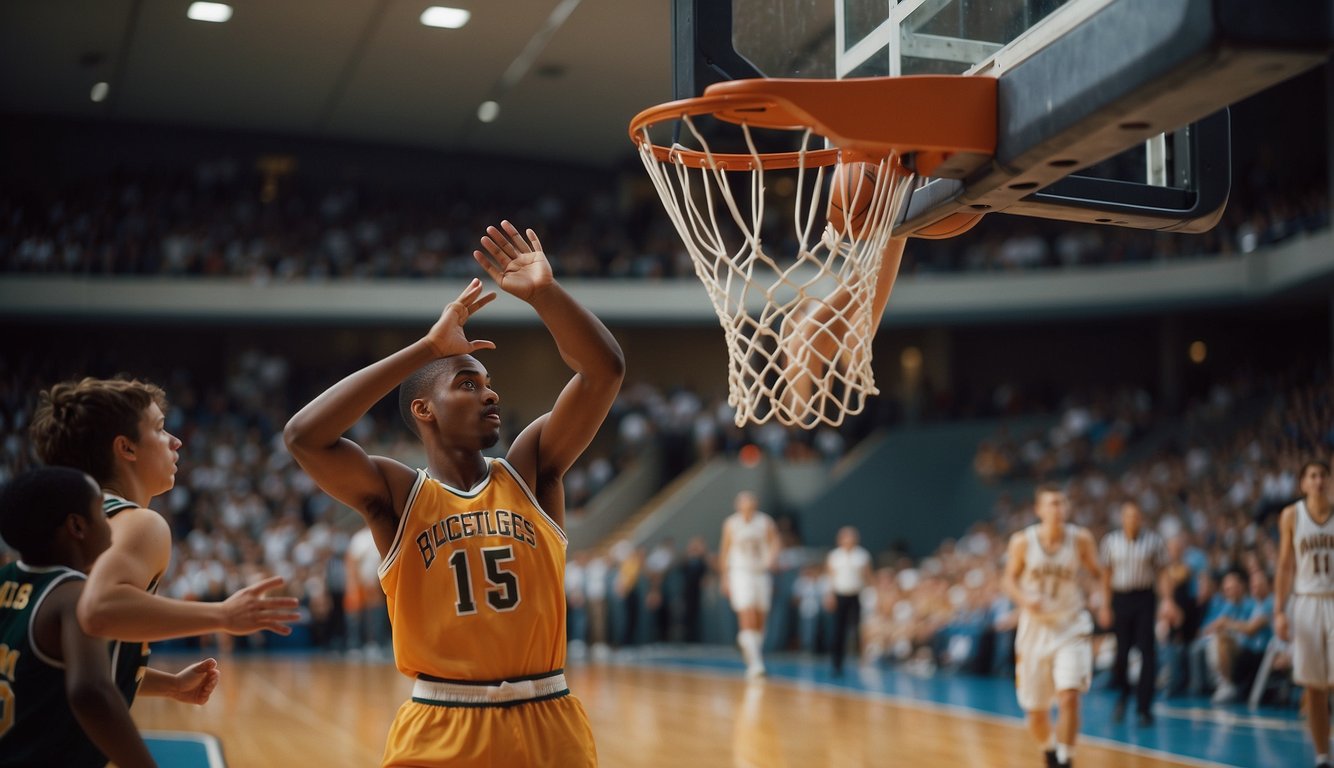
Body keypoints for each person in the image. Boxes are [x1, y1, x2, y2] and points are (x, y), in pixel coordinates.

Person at [284, 221, 624, 768]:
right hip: (441, 722)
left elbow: (604, 372)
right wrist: (424, 351)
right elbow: (304, 437)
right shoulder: (397, 493)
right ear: (424, 409)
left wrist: (545, 294)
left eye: (489, 384)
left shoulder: (531, 468)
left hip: (548, 715)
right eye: (467, 384)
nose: (490, 393)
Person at [27, 376, 299, 706]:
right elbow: (98, 610)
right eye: (159, 428)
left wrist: (169, 685)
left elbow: (62, 660)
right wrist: (223, 615)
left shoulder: (64, 520)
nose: (176, 442)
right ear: (126, 447)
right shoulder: (141, 524)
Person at [0, 467, 220, 768]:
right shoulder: (75, 596)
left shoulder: (6, 579)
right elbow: (91, 690)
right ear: (77, 527)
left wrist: (172, 685)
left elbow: (48, 672)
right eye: (101, 515)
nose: (110, 523)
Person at [1001, 485, 1106, 768]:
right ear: (1039, 510)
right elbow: (1009, 580)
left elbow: (1099, 572)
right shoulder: (1023, 541)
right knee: (1035, 713)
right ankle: (1049, 750)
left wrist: (1104, 600)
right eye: (1051, 504)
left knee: (1069, 696)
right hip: (1034, 629)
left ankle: (1066, 758)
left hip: (1071, 625)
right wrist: (1025, 598)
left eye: (1062, 503)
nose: (1057, 509)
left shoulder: (1080, 539)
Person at [1274, 459, 1333, 768]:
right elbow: (1285, 566)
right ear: (1303, 483)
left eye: (1324, 474)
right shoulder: (1291, 515)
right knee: (1315, 686)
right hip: (1306, 600)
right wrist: (1279, 611)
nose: (1319, 480)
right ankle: (1322, 756)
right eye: (1313, 475)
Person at [1099, 500, 1172, 725]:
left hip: (1144, 598)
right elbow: (1106, 576)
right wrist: (1105, 605)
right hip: (1120, 599)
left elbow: (1162, 573)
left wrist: (1167, 600)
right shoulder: (1110, 541)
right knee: (1121, 654)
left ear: (1141, 518)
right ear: (1122, 518)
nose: (1132, 520)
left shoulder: (1154, 541)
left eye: (1136, 516)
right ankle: (1122, 694)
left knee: (1147, 652)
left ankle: (1144, 708)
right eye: (1128, 516)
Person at [719, 490, 780, 678]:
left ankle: (748, 645)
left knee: (761, 620)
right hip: (740, 573)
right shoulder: (731, 523)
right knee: (747, 613)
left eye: (750, 503)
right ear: (737, 506)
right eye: (743, 504)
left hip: (761, 573)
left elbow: (775, 542)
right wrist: (724, 577)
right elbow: (724, 550)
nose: (747, 507)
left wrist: (772, 558)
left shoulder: (765, 521)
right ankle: (756, 664)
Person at [825, 525, 873, 676]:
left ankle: (863, 662)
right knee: (838, 631)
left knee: (859, 629)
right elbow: (830, 578)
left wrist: (870, 594)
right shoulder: (835, 556)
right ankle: (837, 664)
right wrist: (830, 595)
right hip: (840, 595)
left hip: (856, 595)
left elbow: (868, 576)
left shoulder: (862, 555)